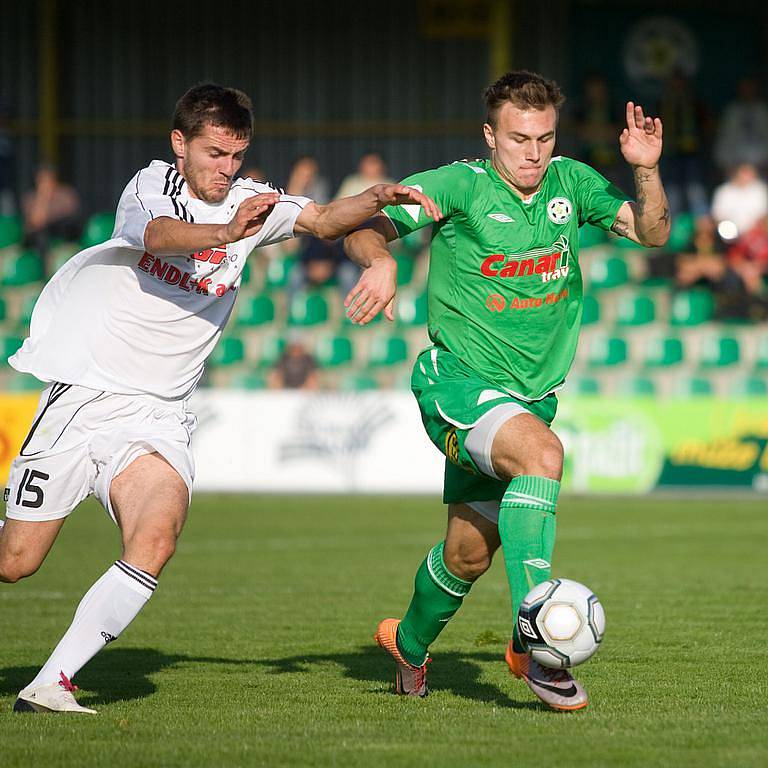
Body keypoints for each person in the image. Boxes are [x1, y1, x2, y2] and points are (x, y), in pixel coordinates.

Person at [0, 83, 439, 715]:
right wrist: (223, 229)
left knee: (155, 536)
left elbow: (321, 220)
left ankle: (52, 683)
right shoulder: (149, 187)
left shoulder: (249, 204)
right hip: (87, 400)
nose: (226, 169)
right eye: (213, 154)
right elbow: (156, 235)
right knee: (16, 562)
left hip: (158, 417)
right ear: (180, 144)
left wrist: (370, 200)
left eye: (236, 156)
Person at [343, 70, 669, 710]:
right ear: (491, 135)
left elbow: (653, 232)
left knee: (467, 557)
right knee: (543, 456)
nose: (534, 152)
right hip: (458, 382)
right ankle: (542, 643)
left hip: (531, 398)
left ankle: (408, 645)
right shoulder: (458, 185)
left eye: (545, 138)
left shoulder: (572, 184)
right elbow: (364, 222)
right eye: (519, 138)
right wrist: (380, 259)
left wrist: (647, 170)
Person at [22, 165, 82, 274]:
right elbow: (37, 222)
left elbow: (72, 220)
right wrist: (44, 196)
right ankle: (43, 272)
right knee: (41, 236)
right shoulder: (32, 198)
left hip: (63, 235)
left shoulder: (66, 194)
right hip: (40, 240)